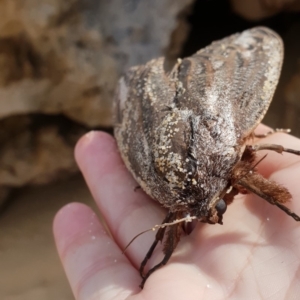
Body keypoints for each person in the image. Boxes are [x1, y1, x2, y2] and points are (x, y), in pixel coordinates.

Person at [53, 124, 300, 299]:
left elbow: (249, 155)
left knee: (240, 165)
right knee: (174, 207)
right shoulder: (181, 205)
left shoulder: (232, 177)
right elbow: (174, 213)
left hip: (206, 146)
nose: (214, 219)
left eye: (217, 209)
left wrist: (285, 207)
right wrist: (161, 253)